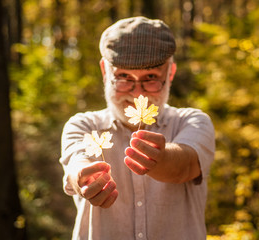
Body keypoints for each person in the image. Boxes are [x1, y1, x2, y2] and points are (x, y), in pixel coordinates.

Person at [60, 16, 215, 240]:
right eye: (123, 77)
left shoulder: (193, 122)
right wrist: (83, 178)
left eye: (151, 78)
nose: (137, 94)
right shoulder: (83, 125)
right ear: (105, 72)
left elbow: (186, 165)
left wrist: (160, 159)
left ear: (170, 74)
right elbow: (77, 162)